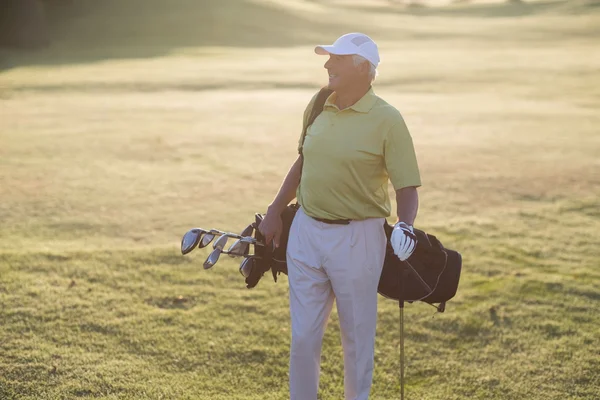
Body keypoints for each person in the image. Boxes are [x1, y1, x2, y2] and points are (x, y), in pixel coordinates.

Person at [258, 32, 421, 400]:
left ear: (363, 68)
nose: (328, 64)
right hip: (306, 231)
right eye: (328, 58)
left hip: (358, 239)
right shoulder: (318, 103)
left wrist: (407, 226)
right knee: (302, 337)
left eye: (338, 59)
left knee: (357, 338)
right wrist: (274, 211)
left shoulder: (388, 120)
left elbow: (407, 187)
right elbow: (303, 160)